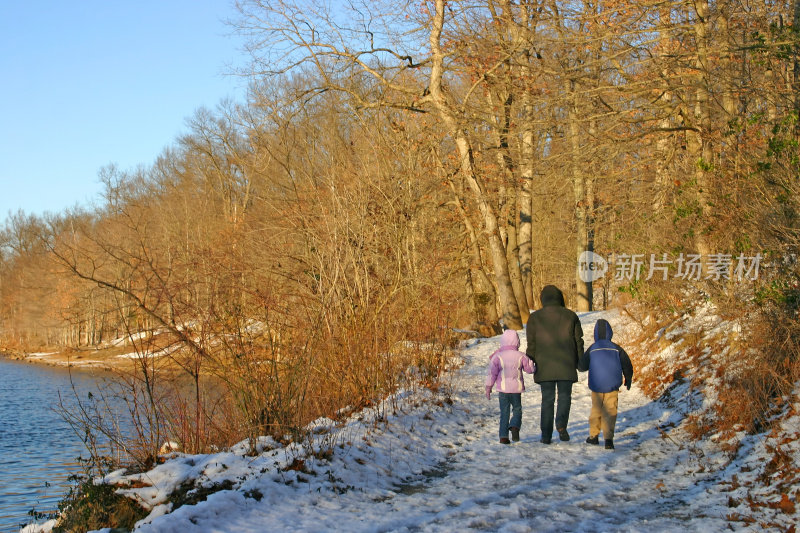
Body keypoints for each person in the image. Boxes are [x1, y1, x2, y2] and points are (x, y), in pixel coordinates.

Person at [526, 285, 584, 444]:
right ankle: (561, 424)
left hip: (544, 365)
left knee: (547, 400)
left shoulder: (534, 318)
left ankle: (546, 435)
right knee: (565, 397)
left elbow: (532, 343)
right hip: (566, 363)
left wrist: (529, 361)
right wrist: (580, 361)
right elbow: (578, 341)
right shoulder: (571, 316)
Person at [578, 318, 634, 450]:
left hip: (596, 385)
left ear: (595, 333)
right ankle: (608, 439)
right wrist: (628, 378)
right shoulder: (616, 348)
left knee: (596, 409)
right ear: (610, 332)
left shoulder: (593, 348)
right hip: (612, 385)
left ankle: (593, 436)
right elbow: (627, 364)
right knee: (610, 410)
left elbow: (582, 367)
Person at [485, 329, 536, 444]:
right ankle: (514, 426)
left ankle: (503, 437)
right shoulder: (520, 355)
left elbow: (492, 374)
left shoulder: (498, 356)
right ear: (517, 342)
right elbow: (529, 369)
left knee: (504, 413)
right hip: (516, 389)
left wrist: (488, 388)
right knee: (517, 410)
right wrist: (533, 366)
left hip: (503, 390)